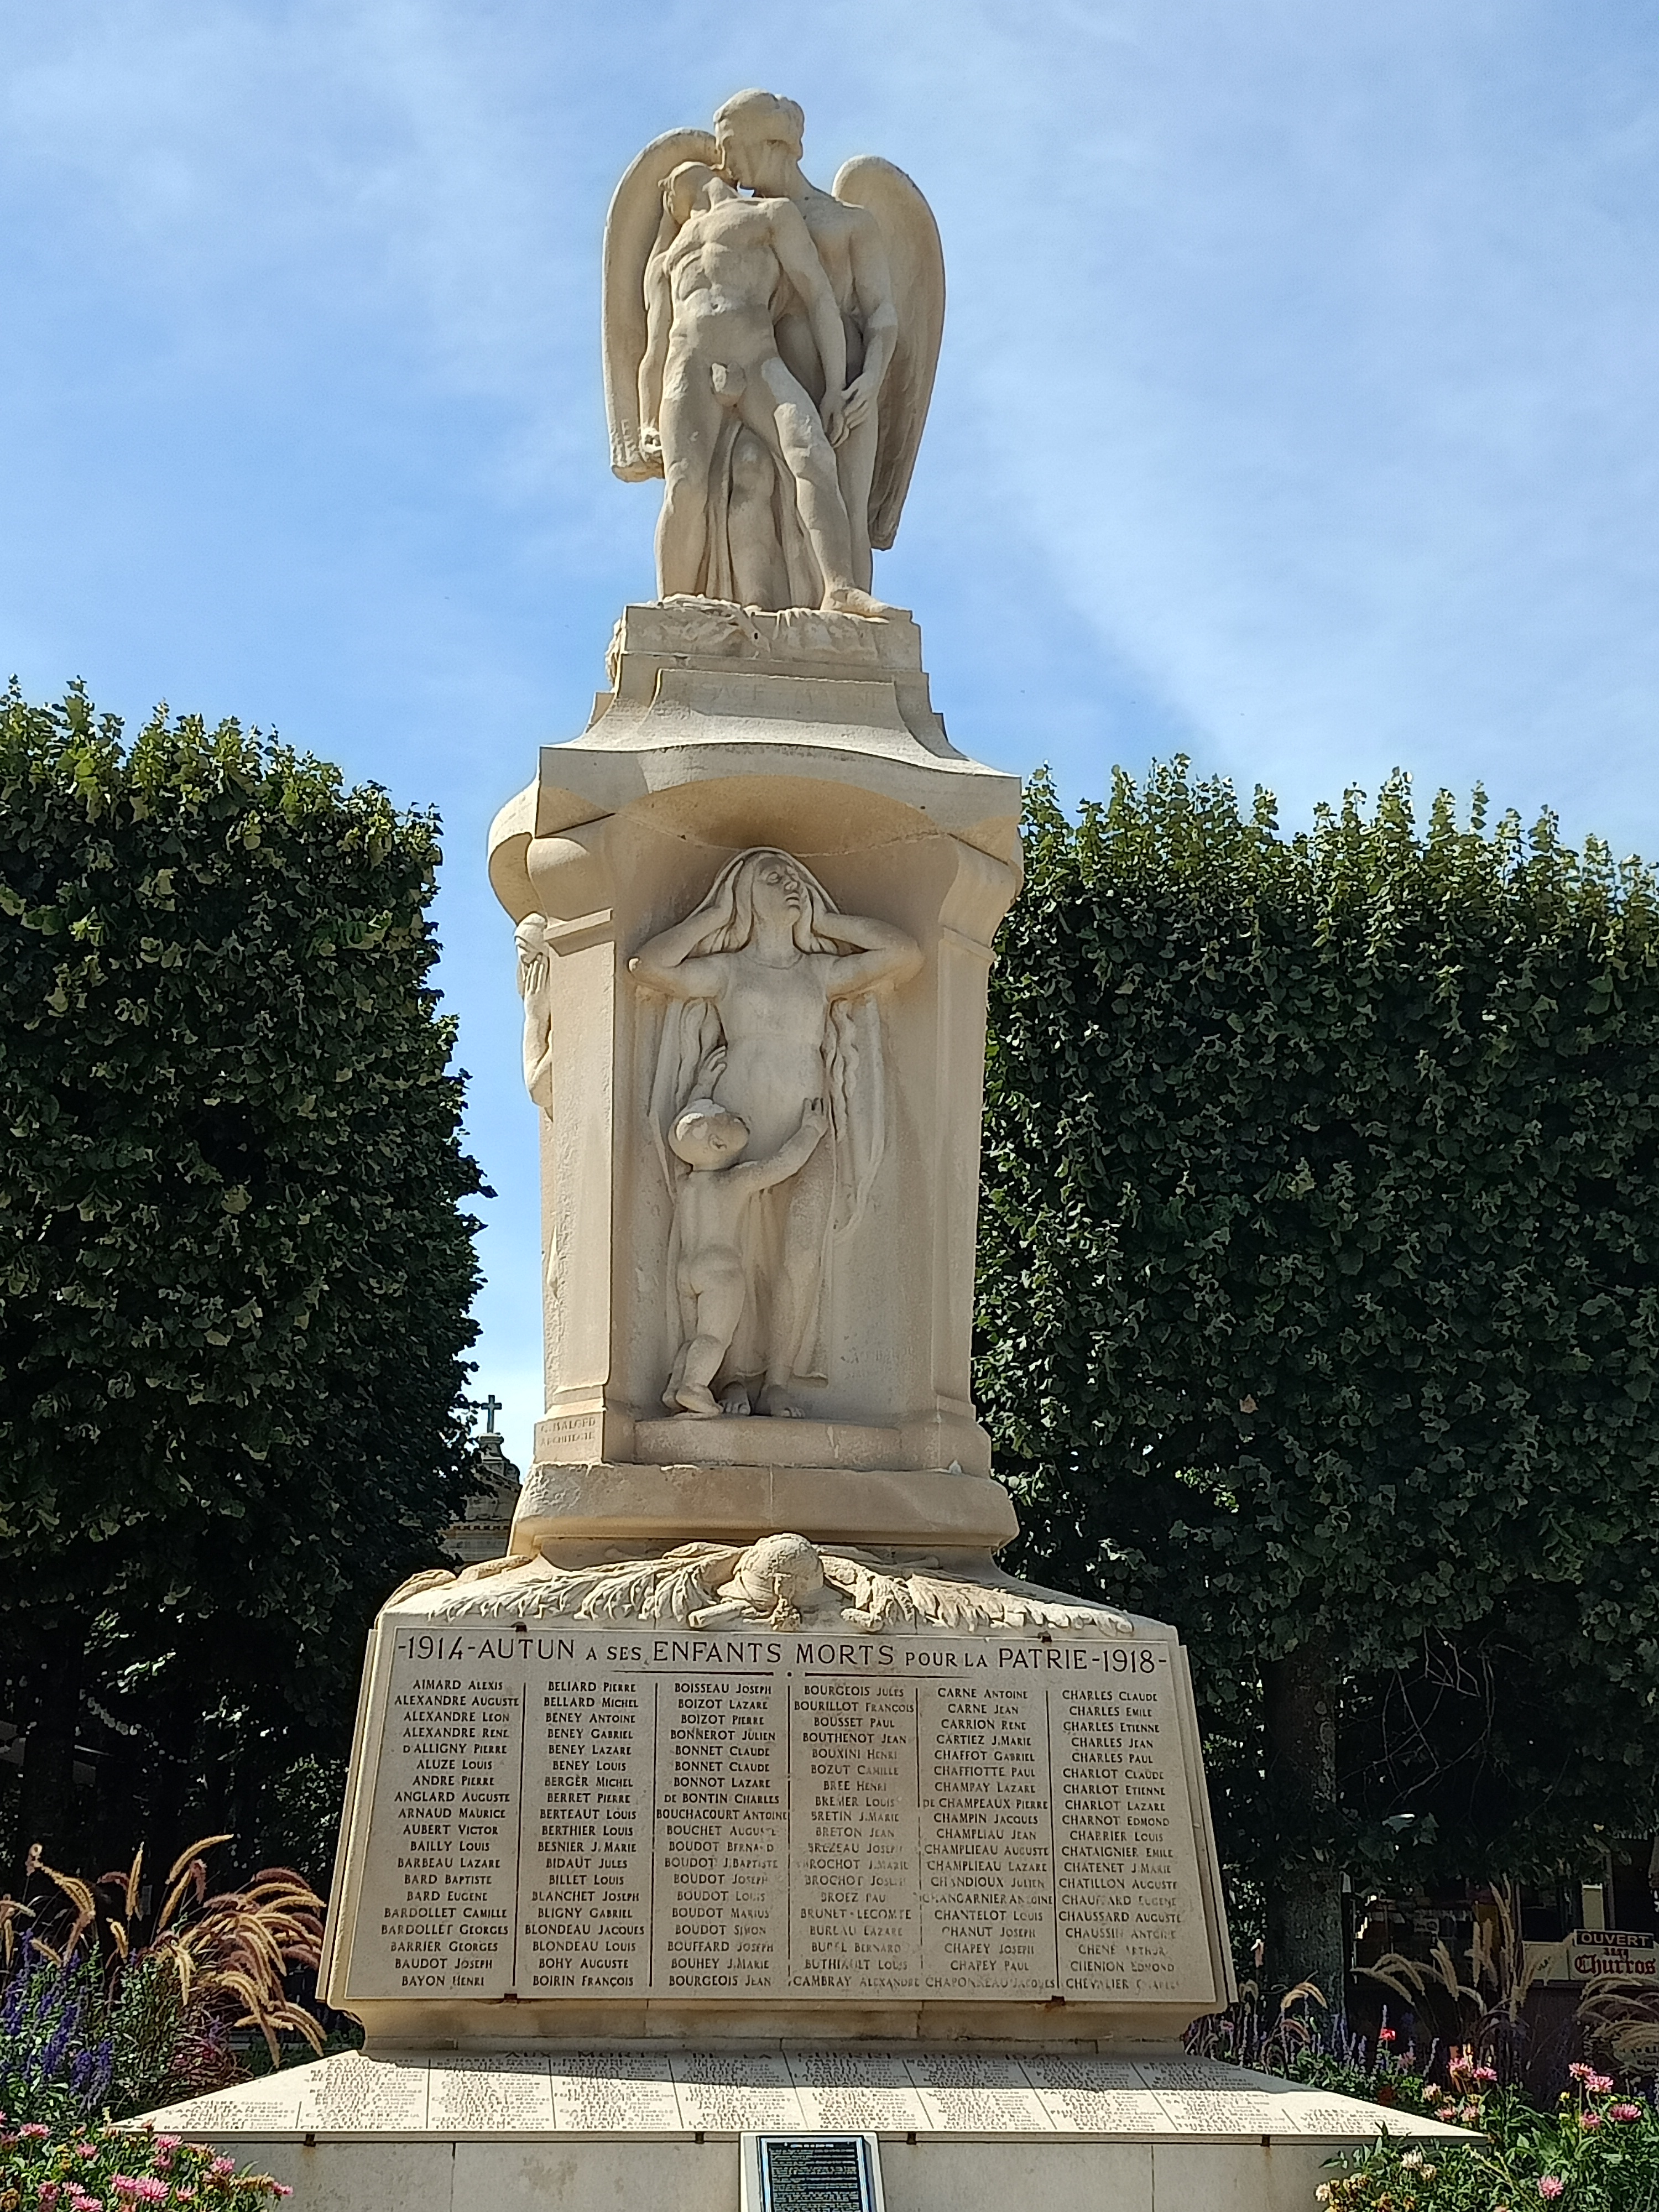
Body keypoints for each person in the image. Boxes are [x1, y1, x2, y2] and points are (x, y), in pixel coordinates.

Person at [632, 848, 920, 1415]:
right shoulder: (729, 971)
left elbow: (904, 953)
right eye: (773, 877)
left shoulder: (819, 972)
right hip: (740, 1127)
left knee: (801, 1255)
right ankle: (733, 1379)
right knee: (739, 1257)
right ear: (745, 894)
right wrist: (716, 916)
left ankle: (780, 1379)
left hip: (810, 1126)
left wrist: (828, 922)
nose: (790, 883)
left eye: (794, 876)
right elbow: (649, 967)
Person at [635, 160, 885, 618]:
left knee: (812, 456)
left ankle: (839, 587)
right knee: (686, 486)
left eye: (668, 188)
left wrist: (834, 385)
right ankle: (673, 608)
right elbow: (654, 348)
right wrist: (646, 420)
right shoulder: (669, 258)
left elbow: (819, 298)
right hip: (690, 369)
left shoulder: (770, 215)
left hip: (758, 361)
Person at [664, 1096, 828, 1415]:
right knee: (714, 1337)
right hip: (720, 1272)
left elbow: (682, 1140)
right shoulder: (735, 1181)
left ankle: (675, 1386)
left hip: (687, 1271)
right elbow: (784, 1164)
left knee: (695, 1336)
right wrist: (811, 1130)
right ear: (718, 1144)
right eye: (728, 1119)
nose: (735, 1116)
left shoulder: (687, 1185)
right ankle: (694, 1387)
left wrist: (701, 1089)